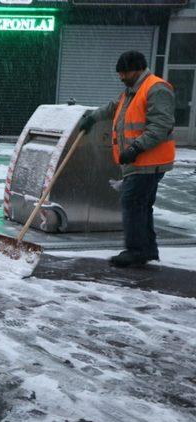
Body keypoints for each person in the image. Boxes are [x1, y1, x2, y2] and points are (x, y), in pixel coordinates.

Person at [79, 51, 175, 267]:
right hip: (140, 161)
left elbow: (160, 126)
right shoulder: (132, 91)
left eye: (124, 72)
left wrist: (135, 148)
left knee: (132, 203)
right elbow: (114, 108)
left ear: (138, 69)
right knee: (142, 205)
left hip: (149, 160)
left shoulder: (156, 88)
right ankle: (147, 249)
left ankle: (136, 251)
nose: (121, 77)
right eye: (119, 73)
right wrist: (91, 119)